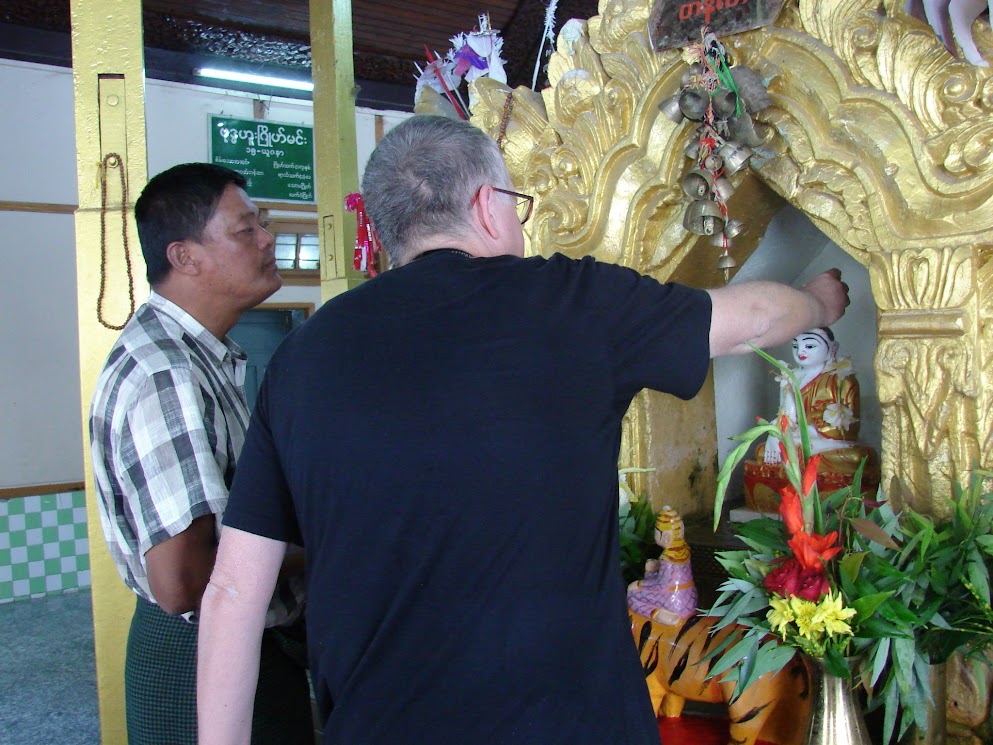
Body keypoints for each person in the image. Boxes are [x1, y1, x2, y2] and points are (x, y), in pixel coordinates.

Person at [196, 115, 850, 745]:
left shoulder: (303, 356)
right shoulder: (573, 302)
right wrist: (818, 301)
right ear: (486, 204)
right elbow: (754, 317)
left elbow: (231, 591)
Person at [89, 163, 312, 745]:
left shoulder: (200, 357)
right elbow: (184, 580)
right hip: (202, 654)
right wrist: (322, 547)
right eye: (246, 230)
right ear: (185, 257)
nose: (267, 239)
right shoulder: (167, 371)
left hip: (238, 637)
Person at [745, 326, 879, 510]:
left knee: (856, 458)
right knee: (762, 452)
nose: (800, 352)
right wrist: (774, 435)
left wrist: (810, 429)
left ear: (832, 349)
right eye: (796, 346)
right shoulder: (789, 377)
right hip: (798, 440)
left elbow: (850, 428)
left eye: (809, 346)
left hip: (828, 444)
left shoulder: (842, 379)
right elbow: (785, 416)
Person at [626, 506, 697, 624]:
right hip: (690, 597)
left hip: (673, 601)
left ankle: (659, 614)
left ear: (666, 537)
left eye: (656, 532)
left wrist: (639, 584)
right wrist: (652, 571)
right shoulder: (685, 549)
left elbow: (660, 586)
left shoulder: (667, 558)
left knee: (632, 593)